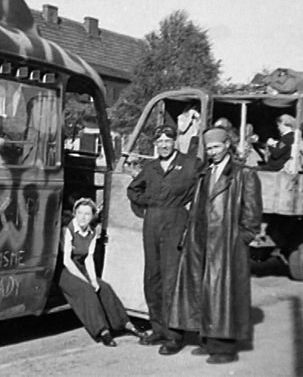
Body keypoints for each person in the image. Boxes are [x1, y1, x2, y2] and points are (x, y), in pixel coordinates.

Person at [167, 127, 263, 364]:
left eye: (216, 147)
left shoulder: (244, 174)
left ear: (227, 145)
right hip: (201, 241)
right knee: (204, 291)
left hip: (226, 243)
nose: (212, 152)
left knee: (223, 295)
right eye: (209, 148)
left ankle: (224, 348)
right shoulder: (205, 173)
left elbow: (252, 214)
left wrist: (241, 239)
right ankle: (208, 340)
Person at [126, 124, 202, 350]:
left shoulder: (190, 164)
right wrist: (147, 201)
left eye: (168, 140)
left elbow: (204, 186)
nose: (164, 145)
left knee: (171, 280)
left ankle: (174, 335)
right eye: (159, 141)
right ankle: (158, 328)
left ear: (175, 141)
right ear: (155, 144)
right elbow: (133, 189)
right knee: (152, 278)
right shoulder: (151, 167)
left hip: (176, 220)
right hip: (152, 222)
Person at [58, 198, 144, 346]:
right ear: (74, 214)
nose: (82, 217)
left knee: (104, 287)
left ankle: (125, 324)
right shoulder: (68, 230)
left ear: (92, 216)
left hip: (80, 267)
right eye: (79, 213)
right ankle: (102, 331)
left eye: (87, 214)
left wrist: (93, 280)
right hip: (64, 270)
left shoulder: (91, 233)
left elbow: (88, 259)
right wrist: (87, 282)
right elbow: (67, 260)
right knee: (86, 291)